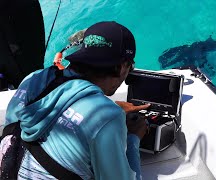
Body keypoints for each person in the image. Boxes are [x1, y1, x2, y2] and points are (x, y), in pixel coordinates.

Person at [0, 21, 149, 180]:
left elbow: (61, 113)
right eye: (130, 67)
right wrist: (133, 137)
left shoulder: (32, 79)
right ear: (121, 67)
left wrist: (106, 110)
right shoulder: (107, 116)